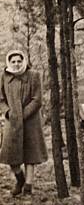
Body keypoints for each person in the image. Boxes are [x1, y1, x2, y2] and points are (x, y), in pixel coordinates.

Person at [0, 50, 47, 196]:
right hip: (12, 121)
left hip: (31, 121)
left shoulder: (34, 75)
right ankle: (19, 179)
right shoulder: (4, 77)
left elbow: (37, 99)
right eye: (13, 61)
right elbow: (1, 99)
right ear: (9, 63)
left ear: (24, 61)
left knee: (30, 154)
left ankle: (28, 186)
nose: (16, 64)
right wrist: (7, 112)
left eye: (19, 61)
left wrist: (23, 114)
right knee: (10, 155)